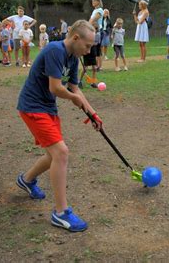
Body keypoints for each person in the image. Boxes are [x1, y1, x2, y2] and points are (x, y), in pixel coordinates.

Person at [16, 20, 101, 232]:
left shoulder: (73, 58)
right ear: (75, 38)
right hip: (33, 107)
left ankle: (26, 180)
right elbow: (55, 87)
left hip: (47, 108)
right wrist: (73, 98)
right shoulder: (55, 50)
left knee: (53, 155)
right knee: (61, 153)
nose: (89, 50)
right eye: (87, 46)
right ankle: (61, 213)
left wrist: (93, 114)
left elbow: (74, 88)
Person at [83, 21, 100, 88]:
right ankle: (79, 81)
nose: (94, 30)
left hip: (93, 52)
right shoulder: (87, 35)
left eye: (95, 28)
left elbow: (96, 43)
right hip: (87, 52)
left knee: (94, 68)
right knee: (85, 68)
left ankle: (93, 82)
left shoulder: (97, 35)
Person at [88, 0, 104, 70]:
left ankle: (99, 66)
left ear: (98, 1)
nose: (92, 2)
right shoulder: (94, 10)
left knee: (97, 50)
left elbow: (93, 20)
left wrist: (87, 25)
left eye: (94, 1)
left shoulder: (100, 10)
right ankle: (95, 65)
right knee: (94, 49)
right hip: (93, 30)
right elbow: (90, 20)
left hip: (98, 31)